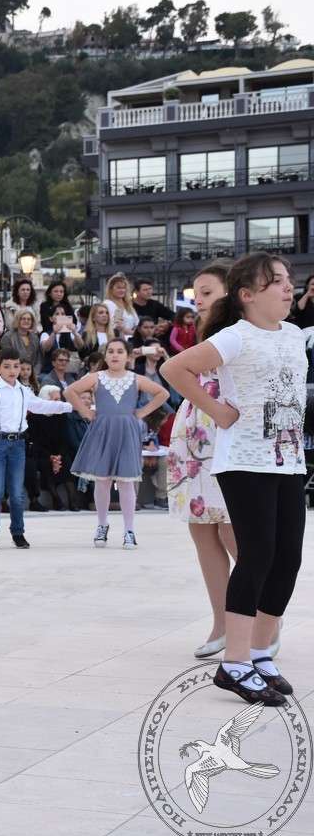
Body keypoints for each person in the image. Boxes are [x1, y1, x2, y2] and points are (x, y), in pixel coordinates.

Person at [162, 252, 306, 707]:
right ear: (247, 295)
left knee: (287, 558)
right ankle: (235, 663)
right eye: (276, 281)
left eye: (288, 279)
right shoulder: (235, 336)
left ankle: (261, 654)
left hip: (288, 460)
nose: (288, 287)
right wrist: (218, 411)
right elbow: (174, 369)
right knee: (257, 554)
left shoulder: (295, 334)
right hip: (244, 461)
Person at [164, 264, 252, 660]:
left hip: (225, 435)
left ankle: (263, 620)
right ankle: (221, 623)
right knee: (202, 531)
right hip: (195, 435)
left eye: (206, 292)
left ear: (230, 294)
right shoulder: (206, 333)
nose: (197, 300)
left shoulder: (240, 333)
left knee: (235, 533)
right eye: (195, 293)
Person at [0, 348, 73, 550]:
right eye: (7, 366)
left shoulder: (24, 391)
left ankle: (18, 533)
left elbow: (40, 405)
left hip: (18, 445)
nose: (12, 370)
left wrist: (67, 406)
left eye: (16, 366)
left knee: (16, 493)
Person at [65, 339, 169, 549]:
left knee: (126, 482)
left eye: (120, 351)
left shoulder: (135, 379)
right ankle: (102, 524)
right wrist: (85, 412)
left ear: (128, 356)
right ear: (105, 356)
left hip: (126, 431)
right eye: (111, 351)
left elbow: (163, 394)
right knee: (102, 480)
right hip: (102, 431)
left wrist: (142, 412)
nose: (114, 355)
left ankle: (129, 530)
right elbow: (70, 391)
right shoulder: (97, 377)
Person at [1, 307, 42, 373]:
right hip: (14, 373)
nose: (26, 321)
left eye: (29, 319)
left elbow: (39, 360)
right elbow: (7, 359)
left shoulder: (35, 338)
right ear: (18, 320)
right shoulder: (8, 337)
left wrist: (34, 374)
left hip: (33, 373)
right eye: (23, 319)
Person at [103, 273, 140, 337]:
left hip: (133, 338)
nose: (122, 290)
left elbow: (137, 323)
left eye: (124, 288)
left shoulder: (128, 305)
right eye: (119, 288)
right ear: (111, 289)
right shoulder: (108, 304)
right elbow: (117, 327)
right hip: (117, 338)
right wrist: (133, 333)